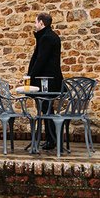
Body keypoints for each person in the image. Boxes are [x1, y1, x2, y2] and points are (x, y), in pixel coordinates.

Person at [27, 12, 64, 150]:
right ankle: (52, 139)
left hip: (46, 81)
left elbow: (40, 60)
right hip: (49, 80)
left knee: (46, 109)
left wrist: (30, 77)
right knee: (47, 109)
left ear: (42, 23)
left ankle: (52, 139)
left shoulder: (47, 38)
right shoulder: (48, 36)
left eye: (36, 22)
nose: (35, 25)